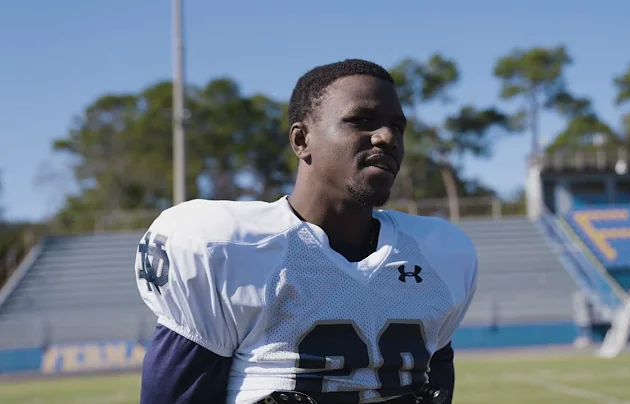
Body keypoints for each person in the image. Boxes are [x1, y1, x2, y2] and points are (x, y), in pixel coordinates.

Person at [135, 59, 478, 404]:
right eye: (361, 120)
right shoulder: (228, 247)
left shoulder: (438, 254)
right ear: (301, 140)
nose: (387, 137)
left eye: (397, 127)